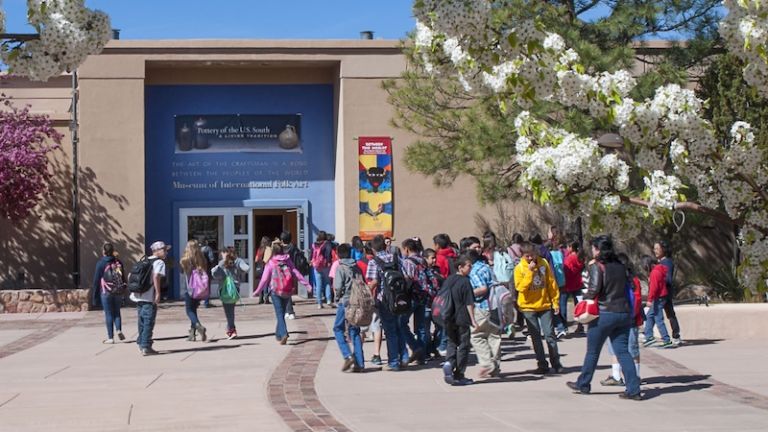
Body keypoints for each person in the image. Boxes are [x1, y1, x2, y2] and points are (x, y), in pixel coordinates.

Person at [567, 235, 642, 400]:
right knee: (623, 351)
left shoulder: (598, 266)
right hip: (622, 313)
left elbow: (594, 289)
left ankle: (583, 383)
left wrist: (585, 296)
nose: (593, 251)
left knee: (593, 351)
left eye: (594, 248)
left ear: (598, 249)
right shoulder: (621, 265)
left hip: (603, 314)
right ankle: (634, 388)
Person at [514, 241, 563, 374]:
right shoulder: (519, 268)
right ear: (522, 256)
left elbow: (551, 283)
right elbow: (520, 287)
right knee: (536, 338)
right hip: (528, 307)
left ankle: (556, 362)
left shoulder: (543, 263)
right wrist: (530, 272)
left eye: (532, 255)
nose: (530, 259)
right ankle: (542, 364)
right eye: (527, 256)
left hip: (544, 305)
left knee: (550, 335)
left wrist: (555, 302)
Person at [602, 253, 645, 386]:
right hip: (619, 317)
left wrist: (631, 315)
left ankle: (636, 376)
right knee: (614, 348)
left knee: (632, 349)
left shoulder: (633, 281)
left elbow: (637, 300)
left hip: (630, 319)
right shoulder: (618, 280)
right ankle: (616, 375)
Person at [255, 243, 310, 345]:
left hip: (276, 291)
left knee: (279, 314)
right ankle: (278, 334)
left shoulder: (271, 263)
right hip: (287, 291)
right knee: (281, 313)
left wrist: (258, 291)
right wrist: (306, 284)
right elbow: (296, 273)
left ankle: (284, 333)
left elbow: (264, 279)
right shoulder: (287, 260)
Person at [366, 234, 405, 370]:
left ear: (373, 249)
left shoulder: (373, 262)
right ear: (385, 245)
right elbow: (404, 275)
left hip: (384, 300)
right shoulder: (395, 258)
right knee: (399, 328)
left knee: (390, 331)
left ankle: (394, 362)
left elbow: (372, 282)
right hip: (399, 297)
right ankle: (404, 357)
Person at [440, 254, 478, 386]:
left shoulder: (449, 280)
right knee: (463, 345)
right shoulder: (465, 281)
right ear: (460, 267)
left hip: (448, 316)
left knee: (451, 342)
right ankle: (459, 374)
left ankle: (449, 363)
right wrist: (473, 320)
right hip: (462, 318)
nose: (471, 268)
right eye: (469, 266)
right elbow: (469, 303)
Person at [467, 245, 502, 379]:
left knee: (477, 336)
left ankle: (487, 363)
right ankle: (495, 367)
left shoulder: (474, 271)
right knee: (494, 336)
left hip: (482, 306)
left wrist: (469, 294)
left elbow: (482, 288)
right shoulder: (487, 267)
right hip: (495, 306)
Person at [131, 241, 169, 356]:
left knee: (141, 320)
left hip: (138, 295)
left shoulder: (143, 260)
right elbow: (156, 276)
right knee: (148, 321)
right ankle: (146, 346)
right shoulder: (159, 262)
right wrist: (158, 293)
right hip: (149, 296)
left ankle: (141, 342)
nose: (166, 252)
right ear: (157, 251)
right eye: (164, 250)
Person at [333, 243, 365, 372]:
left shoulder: (341, 268)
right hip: (357, 301)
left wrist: (337, 298)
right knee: (355, 331)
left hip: (345, 302)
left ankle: (347, 355)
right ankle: (359, 363)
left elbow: (338, 286)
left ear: (338, 254)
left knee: (338, 328)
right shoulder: (356, 266)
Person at [399, 238, 428, 364]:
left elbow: (407, 279)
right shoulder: (423, 261)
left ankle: (415, 347)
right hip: (423, 295)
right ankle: (421, 354)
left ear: (406, 249)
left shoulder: (407, 262)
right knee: (420, 327)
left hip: (411, 296)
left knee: (401, 324)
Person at [212, 247, 250, 339]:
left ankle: (231, 330)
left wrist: (217, 267)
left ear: (225, 253)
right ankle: (230, 329)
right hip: (235, 289)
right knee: (230, 310)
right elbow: (247, 268)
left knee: (228, 311)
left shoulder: (222, 263)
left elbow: (214, 274)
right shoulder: (238, 261)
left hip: (225, 290)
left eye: (222, 253)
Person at [93, 242, 125, 344]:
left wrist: (95, 296)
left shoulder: (101, 263)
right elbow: (122, 276)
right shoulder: (118, 262)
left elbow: (96, 280)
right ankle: (119, 329)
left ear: (103, 251)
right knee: (117, 312)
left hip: (106, 291)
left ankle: (111, 338)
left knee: (108, 313)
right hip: (118, 290)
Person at [654, 240, 682, 346]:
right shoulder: (662, 262)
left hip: (664, 293)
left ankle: (648, 335)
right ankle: (676, 335)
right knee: (669, 314)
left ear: (663, 249)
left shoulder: (667, 262)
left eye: (657, 248)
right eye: (654, 248)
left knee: (656, 313)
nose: (655, 251)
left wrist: (657, 280)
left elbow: (668, 279)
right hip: (663, 292)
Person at [179, 239, 207, 342]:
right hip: (199, 289)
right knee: (194, 310)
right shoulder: (202, 259)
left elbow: (181, 271)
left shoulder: (185, 260)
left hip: (189, 289)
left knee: (189, 310)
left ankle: (199, 326)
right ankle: (192, 334)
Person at [642, 255, 672, 348]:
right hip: (661, 297)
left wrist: (649, 300)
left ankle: (666, 340)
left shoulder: (654, 273)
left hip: (658, 298)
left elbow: (653, 288)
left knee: (658, 319)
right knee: (650, 316)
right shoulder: (658, 270)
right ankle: (649, 337)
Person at [557, 241, 585, 336]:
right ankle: (580, 325)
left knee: (563, 305)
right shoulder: (580, 258)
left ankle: (564, 327)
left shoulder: (569, 259)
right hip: (578, 283)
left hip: (568, 284)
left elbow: (566, 271)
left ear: (571, 247)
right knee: (578, 306)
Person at [279, 230, 304, 320]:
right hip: (292, 271)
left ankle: (289, 311)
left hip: (282, 272)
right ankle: (288, 311)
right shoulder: (294, 247)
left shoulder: (280, 249)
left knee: (285, 292)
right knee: (287, 292)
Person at [311, 231, 334, 308]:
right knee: (327, 282)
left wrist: (312, 261)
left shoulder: (314, 244)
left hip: (316, 266)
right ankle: (328, 300)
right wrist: (328, 262)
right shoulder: (327, 243)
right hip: (325, 265)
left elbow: (312, 254)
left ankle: (319, 303)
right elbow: (328, 253)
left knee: (318, 285)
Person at [254, 236, 272, 304]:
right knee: (266, 283)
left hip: (259, 267)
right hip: (265, 267)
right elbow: (268, 258)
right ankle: (266, 298)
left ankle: (260, 299)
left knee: (260, 282)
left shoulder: (259, 249)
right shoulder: (268, 249)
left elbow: (256, 259)